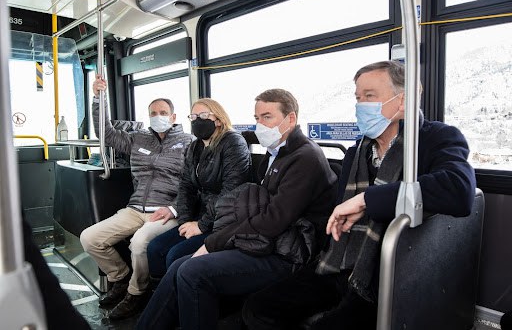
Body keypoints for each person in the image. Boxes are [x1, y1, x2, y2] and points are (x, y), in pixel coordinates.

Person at [242, 60, 477, 330]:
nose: (360, 105)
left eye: (369, 96)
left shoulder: (435, 139)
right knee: (258, 309)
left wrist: (368, 200)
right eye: (357, 97)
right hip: (341, 259)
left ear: (404, 101)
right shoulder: (357, 153)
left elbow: (459, 190)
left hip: (388, 272)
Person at [136, 88, 338, 330]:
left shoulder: (305, 158)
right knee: (180, 265)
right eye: (257, 118)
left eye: (267, 117)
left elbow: (273, 220)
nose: (260, 125)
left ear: (291, 119)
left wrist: (214, 242)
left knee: (193, 271)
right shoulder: (276, 154)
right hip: (268, 242)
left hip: (289, 254)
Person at [79, 75, 193, 320]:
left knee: (139, 242)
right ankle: (119, 278)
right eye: (153, 112)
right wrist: (99, 98)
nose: (158, 116)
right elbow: (106, 134)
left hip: (165, 210)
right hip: (134, 208)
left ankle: (136, 293)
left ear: (174, 117)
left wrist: (174, 208)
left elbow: (193, 184)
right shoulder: (138, 138)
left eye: (163, 112)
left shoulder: (188, 143)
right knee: (90, 238)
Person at [146, 98, 251, 279]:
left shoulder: (233, 143)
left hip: (224, 221)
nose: (197, 121)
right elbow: (186, 185)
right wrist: (185, 222)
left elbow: (231, 192)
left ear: (218, 119)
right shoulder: (195, 147)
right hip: (199, 215)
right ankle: (161, 298)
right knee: (155, 248)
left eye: (203, 115)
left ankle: (176, 300)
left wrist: (201, 225)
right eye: (193, 117)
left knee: (174, 255)